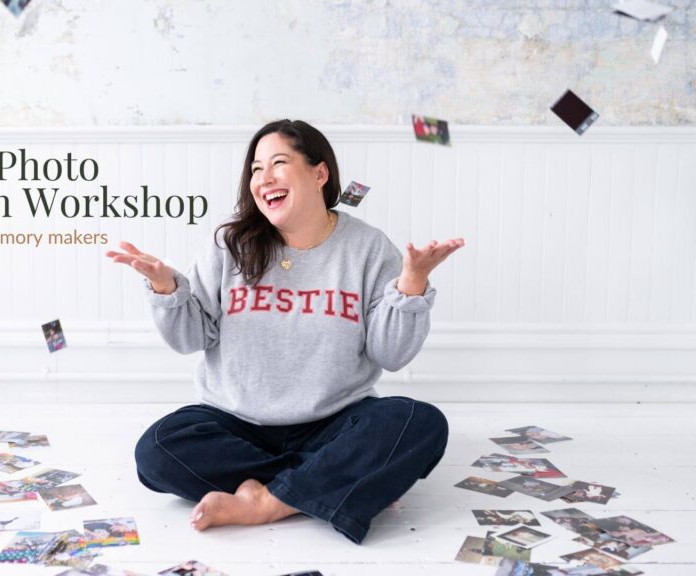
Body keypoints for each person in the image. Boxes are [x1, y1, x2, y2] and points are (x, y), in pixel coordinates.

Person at [106, 119, 465, 544]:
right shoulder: (229, 244)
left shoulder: (368, 248)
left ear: (319, 173)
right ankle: (335, 481)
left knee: (418, 422)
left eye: (278, 163)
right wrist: (166, 288)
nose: (264, 178)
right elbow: (189, 340)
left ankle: (264, 503)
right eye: (256, 169)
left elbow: (391, 355)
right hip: (234, 421)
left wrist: (411, 286)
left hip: (334, 421)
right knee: (158, 449)